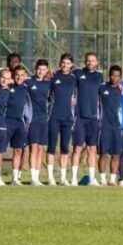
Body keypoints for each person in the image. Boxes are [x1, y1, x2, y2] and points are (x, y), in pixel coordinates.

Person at [73, 52, 104, 186]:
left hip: (93, 118)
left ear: (97, 62)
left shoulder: (99, 76)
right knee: (77, 149)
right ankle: (73, 178)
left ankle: (92, 178)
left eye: (93, 60)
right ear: (85, 62)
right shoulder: (78, 74)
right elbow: (65, 77)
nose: (90, 63)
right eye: (88, 60)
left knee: (92, 149)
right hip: (80, 117)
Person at [48, 54, 78, 185]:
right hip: (54, 117)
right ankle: (50, 177)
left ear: (71, 64)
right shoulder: (53, 77)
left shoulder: (74, 78)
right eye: (63, 63)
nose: (65, 65)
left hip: (68, 118)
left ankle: (63, 177)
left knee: (65, 148)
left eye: (68, 63)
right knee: (51, 147)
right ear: (59, 63)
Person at [24, 60, 52, 185]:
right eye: (39, 69)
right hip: (32, 119)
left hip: (43, 119)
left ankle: (37, 176)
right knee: (33, 147)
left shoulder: (49, 84)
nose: (41, 71)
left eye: (44, 69)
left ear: (47, 70)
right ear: (35, 68)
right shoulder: (28, 82)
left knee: (40, 148)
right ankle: (32, 177)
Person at [97, 66, 123, 186]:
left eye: (117, 76)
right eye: (113, 75)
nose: (115, 78)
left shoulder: (121, 89)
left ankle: (112, 179)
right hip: (104, 126)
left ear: (120, 77)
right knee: (103, 153)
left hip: (117, 127)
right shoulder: (102, 88)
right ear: (109, 75)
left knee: (116, 154)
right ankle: (102, 179)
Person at [6, 66, 33, 185]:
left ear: (25, 76)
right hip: (6, 121)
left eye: (22, 75)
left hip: (20, 123)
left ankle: (15, 178)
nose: (19, 77)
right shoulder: (8, 87)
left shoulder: (27, 89)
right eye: (17, 74)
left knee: (18, 150)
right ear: (13, 75)